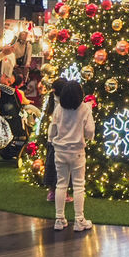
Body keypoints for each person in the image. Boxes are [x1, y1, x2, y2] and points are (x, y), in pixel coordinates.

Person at [49, 80, 94, 231]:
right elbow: (89, 132)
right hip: (77, 152)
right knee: (78, 186)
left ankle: (59, 219)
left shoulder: (58, 109)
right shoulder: (85, 109)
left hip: (60, 151)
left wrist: (52, 140)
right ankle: (79, 220)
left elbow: (52, 130)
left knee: (61, 184)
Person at [43, 78, 66, 203]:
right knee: (62, 169)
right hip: (60, 141)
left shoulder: (52, 102)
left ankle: (52, 191)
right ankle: (61, 193)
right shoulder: (63, 106)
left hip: (51, 140)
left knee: (52, 165)